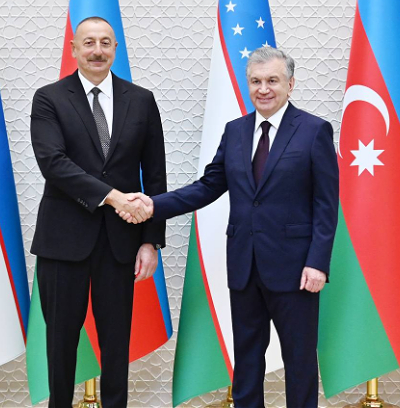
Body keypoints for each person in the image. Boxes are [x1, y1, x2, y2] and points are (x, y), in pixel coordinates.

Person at [121, 46, 338, 408]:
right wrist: (154, 205)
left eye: (272, 80)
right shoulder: (235, 131)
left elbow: (326, 205)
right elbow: (208, 186)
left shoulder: (314, 131)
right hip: (244, 266)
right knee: (247, 360)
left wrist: (317, 263)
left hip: (296, 270)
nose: (263, 89)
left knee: (299, 361)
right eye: (256, 81)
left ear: (290, 84)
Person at [30, 16, 166, 408]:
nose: (97, 50)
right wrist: (113, 197)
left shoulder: (141, 100)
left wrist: (151, 241)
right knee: (60, 342)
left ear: (115, 50)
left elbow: (155, 174)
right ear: (74, 49)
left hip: (120, 242)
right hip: (63, 240)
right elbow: (53, 163)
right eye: (88, 42)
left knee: (117, 343)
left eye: (105, 42)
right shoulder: (49, 98)